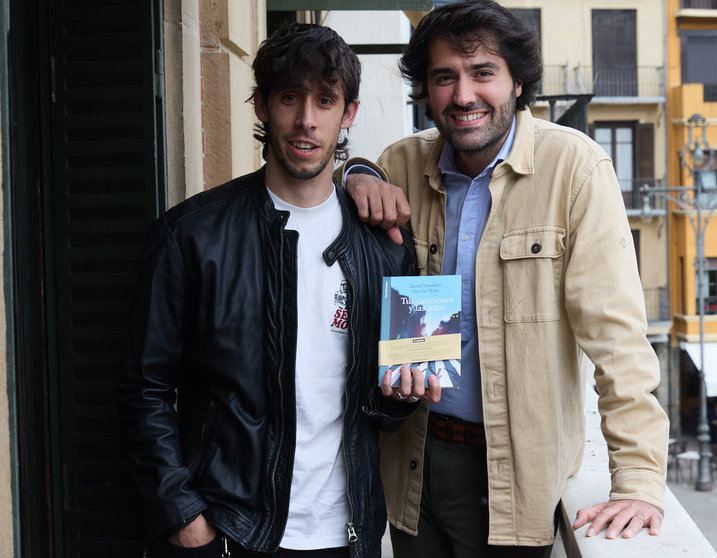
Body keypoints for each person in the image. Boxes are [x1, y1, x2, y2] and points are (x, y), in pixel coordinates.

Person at [343, 1, 669, 555]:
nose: (463, 95)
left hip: (519, 474)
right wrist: (351, 173)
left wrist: (637, 482)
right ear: (426, 89)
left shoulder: (576, 169)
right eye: (444, 77)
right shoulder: (398, 164)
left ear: (519, 82)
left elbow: (618, 339)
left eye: (483, 73)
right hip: (412, 466)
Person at [119, 23, 419, 558]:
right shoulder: (191, 236)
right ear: (261, 106)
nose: (306, 120)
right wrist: (182, 514)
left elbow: (380, 405)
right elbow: (144, 388)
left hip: (350, 534)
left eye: (324, 100)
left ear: (348, 113)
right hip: (230, 530)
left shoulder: (384, 243)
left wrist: (399, 398)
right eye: (289, 97)